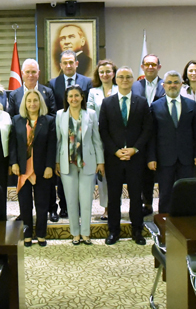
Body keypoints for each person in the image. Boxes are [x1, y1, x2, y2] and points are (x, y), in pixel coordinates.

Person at [99, 67, 152, 245]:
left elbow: (147, 130)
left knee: (136, 196)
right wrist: (115, 150)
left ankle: (137, 230)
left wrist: (134, 149)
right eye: (121, 77)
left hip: (135, 158)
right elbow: (103, 131)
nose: (124, 80)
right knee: (114, 197)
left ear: (132, 80)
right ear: (116, 79)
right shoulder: (107, 103)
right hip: (114, 158)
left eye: (128, 77)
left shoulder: (142, 102)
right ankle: (114, 231)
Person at [148, 71, 196, 214]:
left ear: (181, 85)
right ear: (164, 85)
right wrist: (151, 157)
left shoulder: (191, 105)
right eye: (169, 82)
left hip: (187, 158)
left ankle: (186, 225)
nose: (172, 85)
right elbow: (152, 135)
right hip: (164, 158)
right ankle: (165, 225)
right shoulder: (155, 106)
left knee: (187, 193)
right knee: (165, 193)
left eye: (175, 82)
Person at [56, 85, 104, 246]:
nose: (74, 99)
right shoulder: (60, 115)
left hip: (87, 163)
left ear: (82, 97)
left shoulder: (90, 114)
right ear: (66, 98)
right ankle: (75, 233)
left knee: (86, 200)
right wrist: (56, 161)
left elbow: (97, 140)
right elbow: (58, 141)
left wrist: (100, 161)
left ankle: (85, 233)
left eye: (77, 95)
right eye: (70, 96)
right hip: (67, 163)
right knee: (70, 199)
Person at [49, 49, 93, 219]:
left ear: (76, 63)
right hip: (64, 132)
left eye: (71, 62)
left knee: (82, 173)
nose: (68, 65)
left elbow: (88, 107)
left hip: (82, 131)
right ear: (60, 65)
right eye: (64, 63)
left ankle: (82, 207)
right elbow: (53, 109)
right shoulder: (53, 83)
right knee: (64, 175)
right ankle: (65, 207)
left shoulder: (87, 82)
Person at [10, 89, 56, 247]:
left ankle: (41, 234)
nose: (32, 104)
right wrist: (14, 162)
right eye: (29, 101)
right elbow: (13, 145)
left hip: (42, 169)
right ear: (24, 103)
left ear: (40, 103)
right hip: (23, 169)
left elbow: (52, 146)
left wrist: (50, 166)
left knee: (42, 204)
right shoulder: (17, 120)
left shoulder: (49, 121)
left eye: (35, 100)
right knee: (25, 205)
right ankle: (27, 234)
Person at [131, 54, 165, 216]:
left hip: (162, 134)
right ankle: (146, 203)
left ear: (159, 67)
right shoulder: (135, 86)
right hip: (140, 135)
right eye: (147, 64)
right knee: (143, 172)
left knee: (162, 170)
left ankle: (165, 206)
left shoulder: (166, 85)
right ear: (143, 66)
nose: (150, 67)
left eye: (154, 64)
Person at [86, 59, 117, 220]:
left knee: (115, 175)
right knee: (103, 175)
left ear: (114, 73)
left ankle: (116, 206)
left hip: (118, 139)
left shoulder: (120, 89)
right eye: (102, 72)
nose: (105, 75)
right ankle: (106, 208)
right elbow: (90, 114)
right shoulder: (93, 92)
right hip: (99, 138)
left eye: (108, 71)